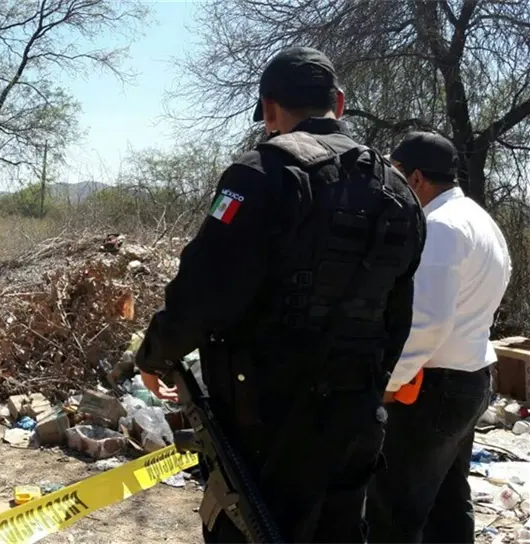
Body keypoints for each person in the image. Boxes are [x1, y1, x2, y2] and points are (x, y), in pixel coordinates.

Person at [134, 46, 426, 544]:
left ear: (269, 109)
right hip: (356, 416)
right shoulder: (399, 191)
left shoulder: (260, 173)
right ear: (339, 101)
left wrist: (155, 353)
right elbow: (398, 318)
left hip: (269, 421)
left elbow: (204, 287)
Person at [367, 132, 511, 544]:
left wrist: (390, 384)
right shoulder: (478, 219)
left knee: (394, 509)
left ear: (414, 179)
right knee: (448, 502)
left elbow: (427, 322)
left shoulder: (441, 227)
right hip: (472, 376)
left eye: (394, 174)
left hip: (434, 389)